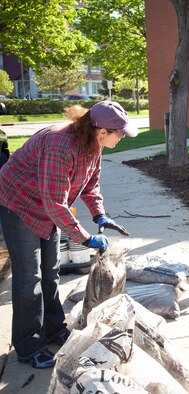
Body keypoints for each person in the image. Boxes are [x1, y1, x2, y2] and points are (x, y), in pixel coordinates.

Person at [0, 100, 137, 368]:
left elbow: (91, 184)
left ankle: (52, 328)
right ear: (102, 131)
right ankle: (28, 345)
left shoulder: (93, 144)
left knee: (51, 271)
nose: (121, 138)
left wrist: (99, 214)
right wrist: (85, 237)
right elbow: (55, 203)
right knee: (30, 277)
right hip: (20, 204)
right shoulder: (59, 145)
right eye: (119, 133)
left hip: (47, 206)